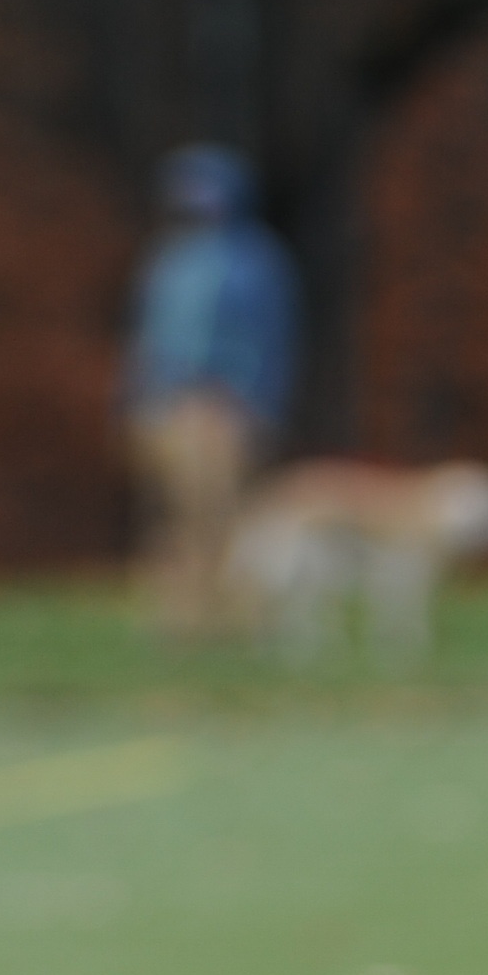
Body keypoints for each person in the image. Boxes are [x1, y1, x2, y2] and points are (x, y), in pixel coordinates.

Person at [121, 142, 298, 640]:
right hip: (167, 405)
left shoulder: (256, 261)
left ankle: (239, 617)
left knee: (227, 513)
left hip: (224, 405)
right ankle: (181, 616)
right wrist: (136, 402)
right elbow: (148, 339)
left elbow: (273, 340)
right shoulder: (169, 261)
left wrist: (260, 404)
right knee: (171, 513)